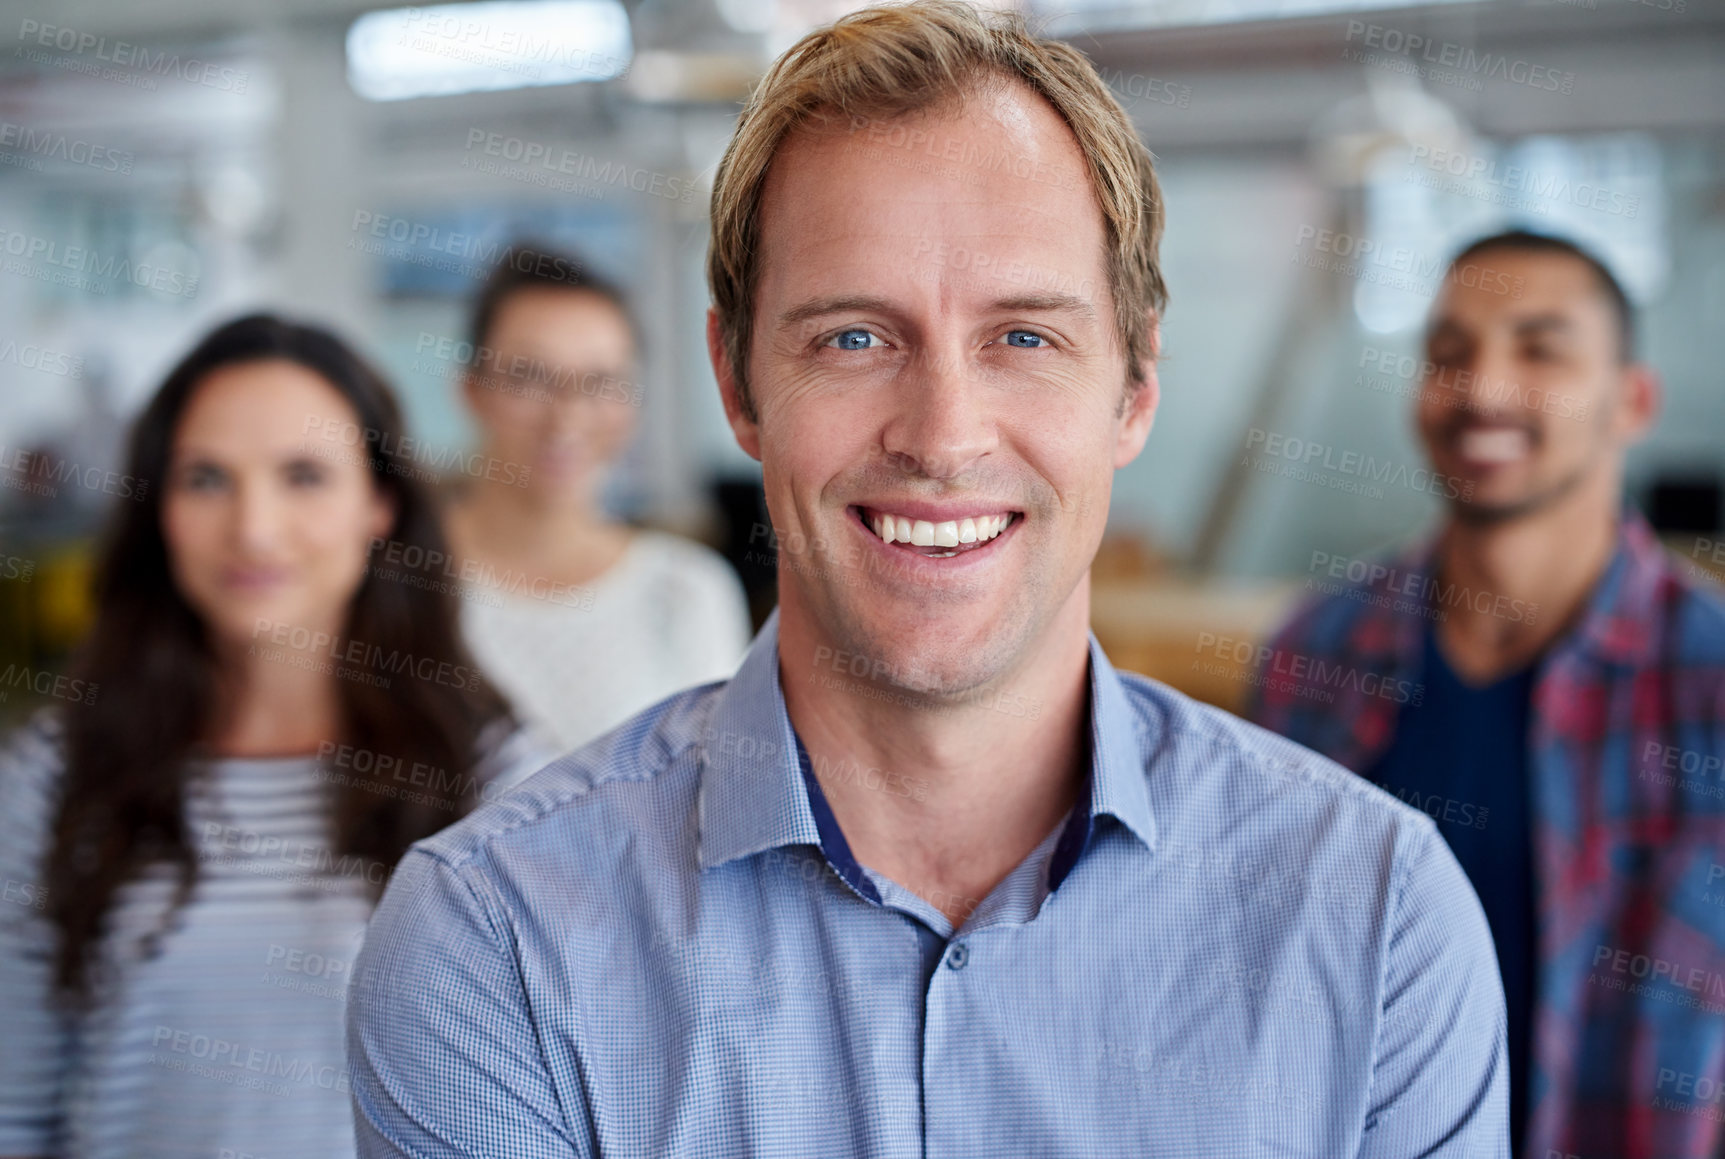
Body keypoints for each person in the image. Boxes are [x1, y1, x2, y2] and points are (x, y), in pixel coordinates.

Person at [348, 4, 1508, 1155]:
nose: (943, 437)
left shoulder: (1378, 922)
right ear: (739, 384)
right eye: (854, 338)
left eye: (1025, 337)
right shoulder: (496, 941)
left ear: (1137, 386)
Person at [0, 314, 546, 1159]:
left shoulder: (496, 778)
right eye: (207, 478)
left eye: (303, 475)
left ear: (379, 504)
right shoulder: (56, 772)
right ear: (159, 510)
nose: (253, 527)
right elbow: (13, 1110)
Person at [1249, 230, 1725, 1157]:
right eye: (1450, 353)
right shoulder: (1319, 649)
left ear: (1630, 401)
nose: (1484, 387)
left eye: (1538, 347)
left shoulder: (1707, 683)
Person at [443, 247, 753, 755]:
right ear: (471, 390)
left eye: (601, 383)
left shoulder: (686, 592)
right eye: (529, 377)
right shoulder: (394, 576)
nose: (567, 418)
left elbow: (715, 802)